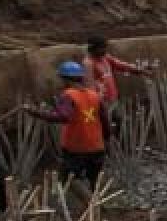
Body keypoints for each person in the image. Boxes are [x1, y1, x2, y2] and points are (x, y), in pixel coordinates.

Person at [24, 61, 113, 189]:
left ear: (64, 79)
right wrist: (107, 140)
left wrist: (35, 113)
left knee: (69, 180)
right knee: (94, 180)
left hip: (76, 148)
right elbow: (105, 120)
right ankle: (95, 204)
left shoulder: (68, 95)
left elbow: (63, 116)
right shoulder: (94, 95)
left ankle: (89, 203)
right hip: (96, 147)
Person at [84, 35, 151, 122]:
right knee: (107, 126)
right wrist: (97, 104)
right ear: (93, 48)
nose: (104, 50)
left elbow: (120, 65)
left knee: (118, 123)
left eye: (105, 47)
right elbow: (90, 87)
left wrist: (140, 70)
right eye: (102, 48)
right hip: (102, 103)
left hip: (113, 99)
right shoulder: (88, 64)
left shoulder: (105, 57)